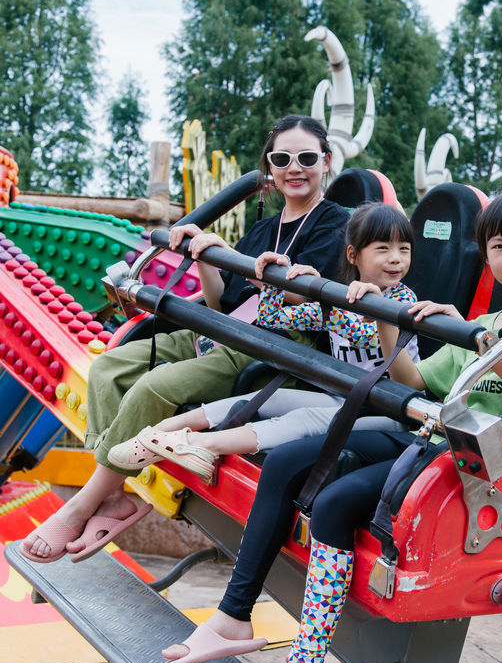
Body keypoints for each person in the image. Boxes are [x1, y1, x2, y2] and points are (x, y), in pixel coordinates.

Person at [180, 184, 502, 663]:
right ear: (485, 256)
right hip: (424, 431)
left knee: (336, 502)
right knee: (291, 461)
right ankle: (234, 615)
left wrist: (488, 343)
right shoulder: (479, 318)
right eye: (498, 246)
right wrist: (393, 320)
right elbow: (413, 383)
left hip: (472, 461)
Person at [19, 115, 349, 564]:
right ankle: (115, 492)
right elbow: (220, 304)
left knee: (154, 387)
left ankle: (84, 501)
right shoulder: (261, 229)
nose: (295, 167)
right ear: (269, 167)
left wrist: (232, 255)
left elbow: (297, 292)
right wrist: (205, 256)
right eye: (281, 158)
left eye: (307, 157)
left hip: (275, 344)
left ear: (326, 162)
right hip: (225, 330)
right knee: (107, 367)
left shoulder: (337, 223)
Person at [106, 202, 419, 481]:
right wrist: (274, 282)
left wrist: (325, 299)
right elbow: (272, 319)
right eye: (383, 249)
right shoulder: (340, 299)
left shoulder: (401, 300)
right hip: (345, 398)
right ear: (354, 255)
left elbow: (366, 335)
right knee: (268, 397)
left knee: (302, 418)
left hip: (389, 410)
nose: (396, 259)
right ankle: (153, 435)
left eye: (404, 249)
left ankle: (199, 446)